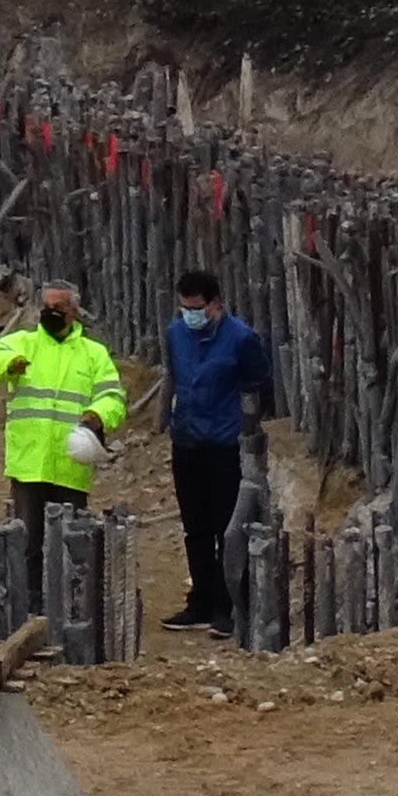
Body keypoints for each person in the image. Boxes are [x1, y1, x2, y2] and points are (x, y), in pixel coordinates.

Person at [0, 277, 127, 613]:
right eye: (45, 308)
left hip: (71, 463)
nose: (50, 313)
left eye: (57, 308)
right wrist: (8, 365)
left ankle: (71, 608)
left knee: (72, 540)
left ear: (73, 311)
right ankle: (30, 607)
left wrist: (97, 415)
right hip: (30, 462)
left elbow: (113, 397)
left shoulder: (93, 354)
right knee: (28, 541)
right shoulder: (23, 344)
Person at [160, 265, 276, 630]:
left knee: (227, 528)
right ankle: (201, 601)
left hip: (225, 444)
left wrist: (246, 427)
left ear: (215, 305)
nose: (191, 315)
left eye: (197, 307)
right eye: (185, 308)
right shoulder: (176, 333)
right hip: (187, 440)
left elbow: (258, 384)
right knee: (195, 527)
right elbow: (174, 377)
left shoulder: (241, 338)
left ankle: (229, 604)